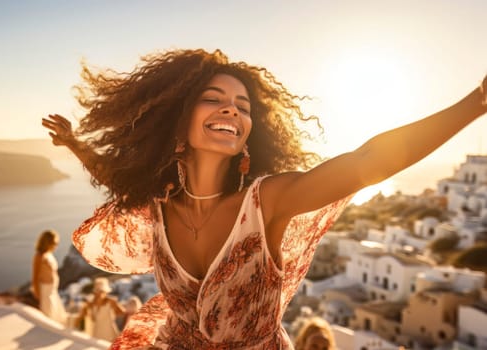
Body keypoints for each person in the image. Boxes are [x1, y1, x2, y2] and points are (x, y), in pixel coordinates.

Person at [41, 49, 487, 349]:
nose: (232, 109)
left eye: (243, 105)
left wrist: (476, 103)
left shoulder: (268, 202)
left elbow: (368, 159)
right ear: (176, 125)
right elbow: (119, 179)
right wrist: (76, 146)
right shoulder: (156, 205)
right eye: (212, 99)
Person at [31, 229, 68, 325]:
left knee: (56, 314)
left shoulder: (48, 254)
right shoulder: (39, 256)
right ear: (47, 242)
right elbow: (35, 276)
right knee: (48, 316)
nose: (55, 245)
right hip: (45, 290)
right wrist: (38, 294)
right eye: (54, 243)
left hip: (52, 289)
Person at [77, 277, 125, 342]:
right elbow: (84, 316)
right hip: (96, 333)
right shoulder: (91, 303)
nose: (100, 293)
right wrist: (85, 308)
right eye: (98, 291)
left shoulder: (111, 301)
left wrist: (113, 313)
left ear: (106, 292)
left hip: (109, 333)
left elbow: (122, 312)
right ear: (95, 292)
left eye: (102, 291)